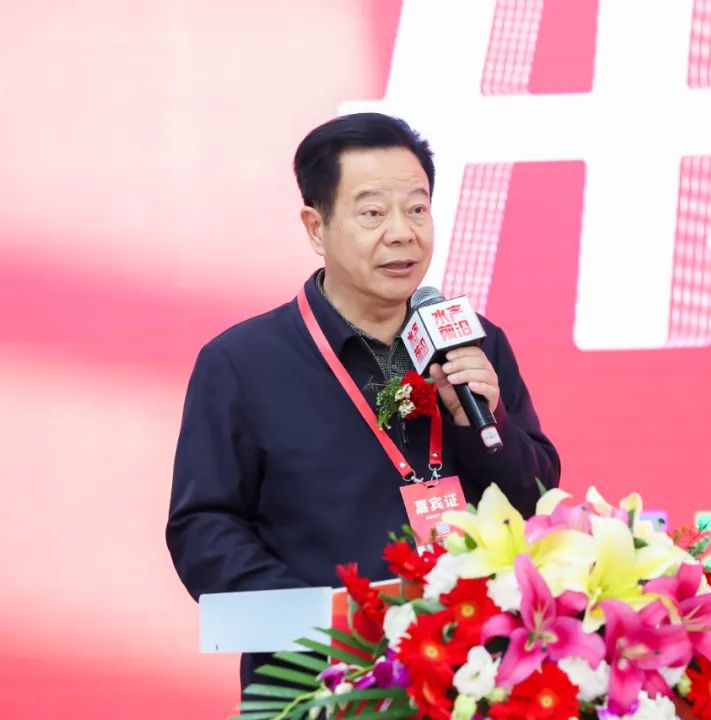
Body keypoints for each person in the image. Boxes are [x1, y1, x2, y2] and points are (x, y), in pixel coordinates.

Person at [165, 112, 560, 691]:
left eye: (417, 209)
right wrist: (320, 626)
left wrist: (484, 423)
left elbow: (537, 501)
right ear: (316, 227)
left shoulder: (475, 342)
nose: (402, 233)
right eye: (373, 213)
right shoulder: (241, 363)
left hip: (472, 674)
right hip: (321, 680)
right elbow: (203, 527)